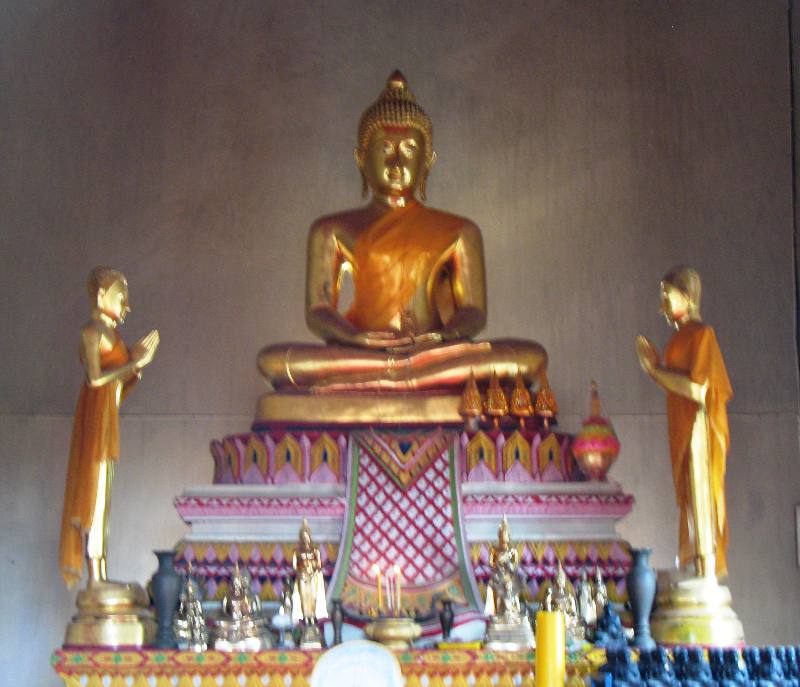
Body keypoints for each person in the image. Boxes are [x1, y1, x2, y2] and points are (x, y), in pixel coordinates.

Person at [258, 71, 546, 394]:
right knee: (273, 361)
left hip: (433, 352)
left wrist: (444, 338)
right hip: (364, 353)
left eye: (409, 149)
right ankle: (403, 374)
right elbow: (319, 311)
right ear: (361, 160)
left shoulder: (459, 231)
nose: (396, 160)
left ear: (427, 162)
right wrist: (354, 338)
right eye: (384, 148)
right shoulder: (332, 230)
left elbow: (473, 312)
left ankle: (397, 375)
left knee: (530, 358)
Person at [59, 267, 159, 588]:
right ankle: (95, 579)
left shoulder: (113, 336)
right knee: (95, 496)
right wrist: (133, 364)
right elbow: (95, 379)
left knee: (105, 499)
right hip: (94, 422)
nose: (126, 306)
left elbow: (115, 393)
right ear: (101, 296)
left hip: (107, 419)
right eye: (121, 297)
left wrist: (136, 373)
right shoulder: (92, 333)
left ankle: (101, 571)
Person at [636, 266, 732, 579]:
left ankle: (707, 568)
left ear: (688, 298)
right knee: (689, 498)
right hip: (681, 426)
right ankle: (698, 566)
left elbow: (698, 389)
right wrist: (658, 371)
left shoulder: (703, 335)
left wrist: (655, 372)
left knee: (701, 492)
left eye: (667, 296)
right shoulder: (678, 339)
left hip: (698, 427)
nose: (662, 305)